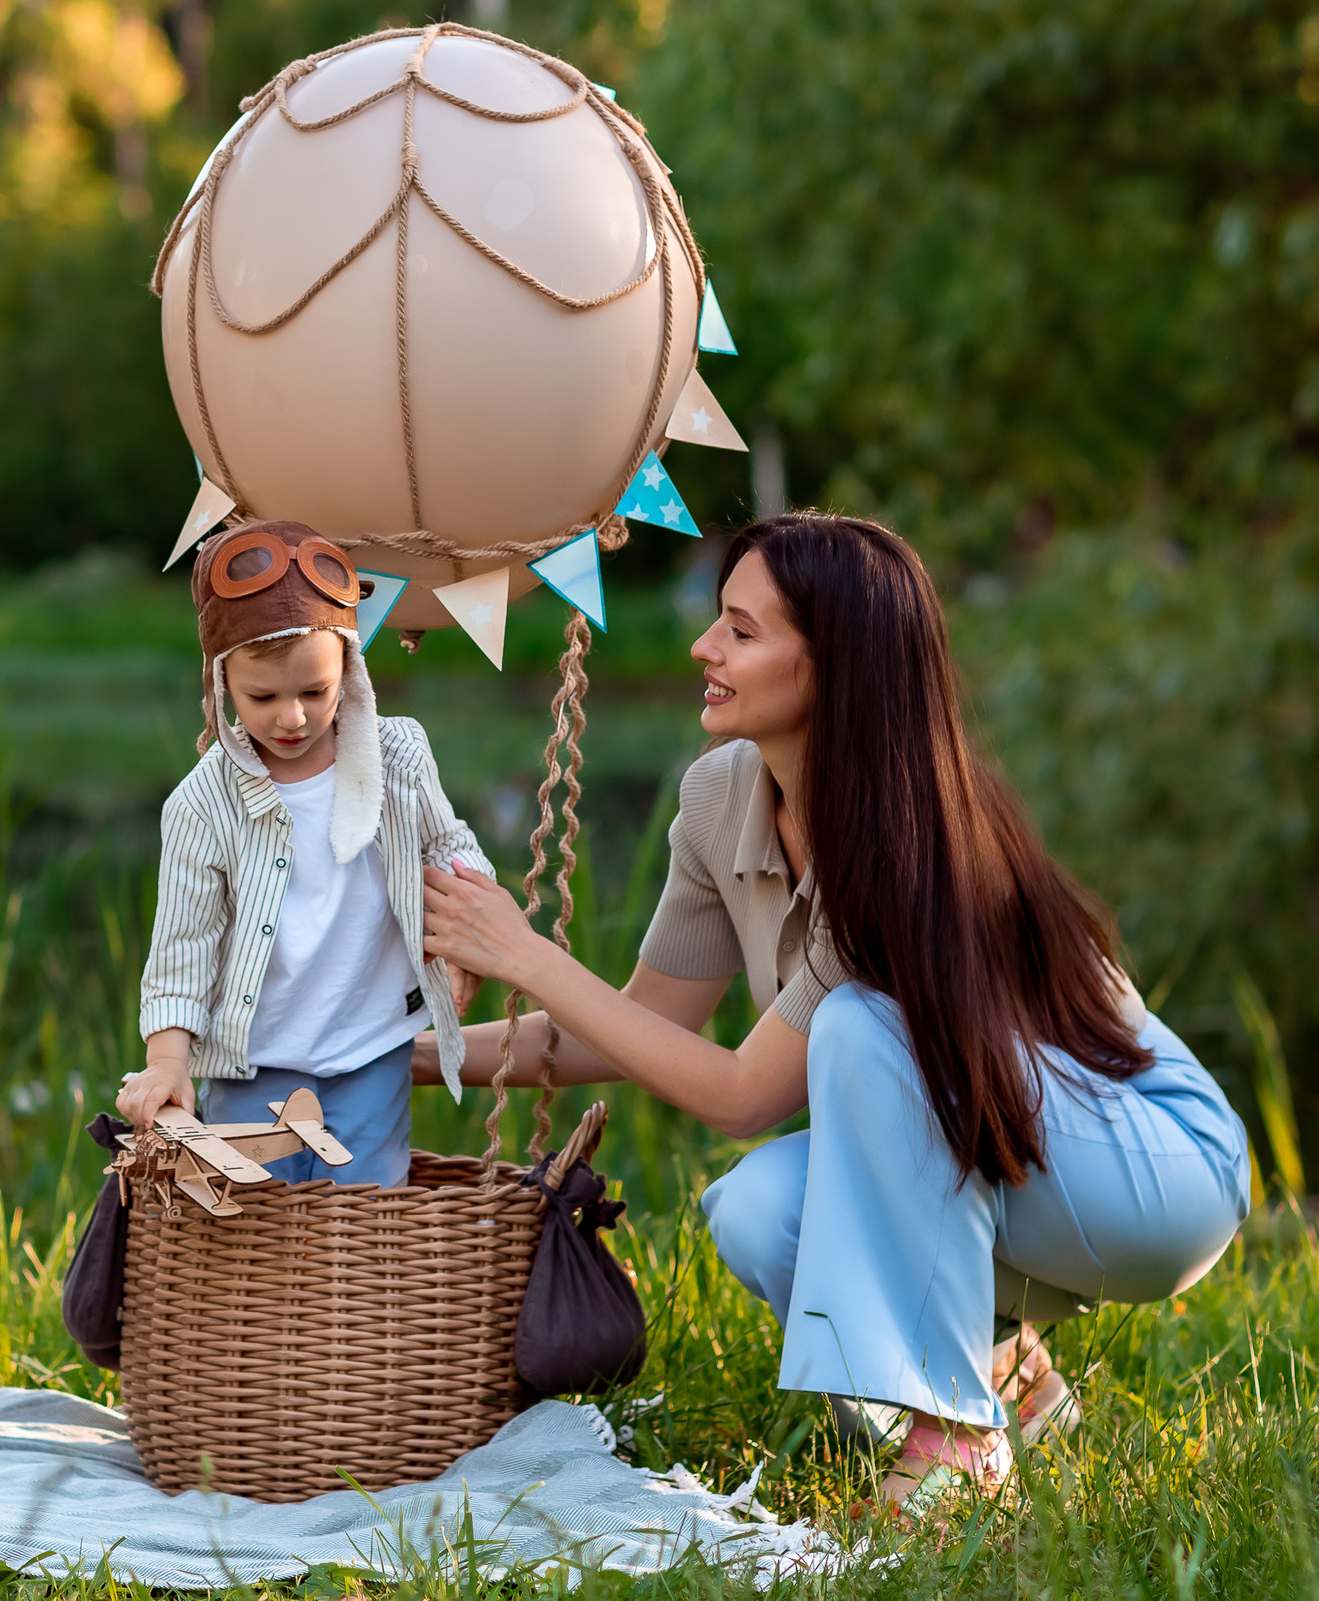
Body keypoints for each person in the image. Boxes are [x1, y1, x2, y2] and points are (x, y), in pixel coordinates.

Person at [416, 512, 1249, 1508]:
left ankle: (954, 1453)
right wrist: (404, 1056)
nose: (703, 648)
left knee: (859, 1027)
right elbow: (641, 1026)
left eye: (740, 629)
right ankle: (1008, 1382)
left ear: (831, 665)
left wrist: (526, 956)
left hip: (1147, 1164)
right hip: (1008, 1145)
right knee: (759, 1212)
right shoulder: (723, 795)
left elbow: (737, 1099)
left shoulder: (906, 848)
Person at [115, 520, 490, 1186]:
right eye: (263, 697)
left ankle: (365, 1295)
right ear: (222, 680)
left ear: (348, 665)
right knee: (256, 1225)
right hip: (256, 1059)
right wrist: (168, 1059)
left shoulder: (396, 756)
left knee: (366, 1214)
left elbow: (446, 842)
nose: (291, 718)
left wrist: (467, 935)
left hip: (369, 1046)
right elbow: (184, 947)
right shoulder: (205, 803)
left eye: (314, 692)